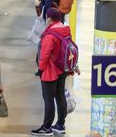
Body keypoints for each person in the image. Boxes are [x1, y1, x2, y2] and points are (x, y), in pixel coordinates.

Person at [31, 8, 71, 136]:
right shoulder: (65, 30)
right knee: (60, 96)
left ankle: (47, 127)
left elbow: (45, 54)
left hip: (50, 71)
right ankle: (60, 124)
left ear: (49, 18)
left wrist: (41, 68)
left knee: (48, 99)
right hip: (62, 69)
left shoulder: (50, 35)